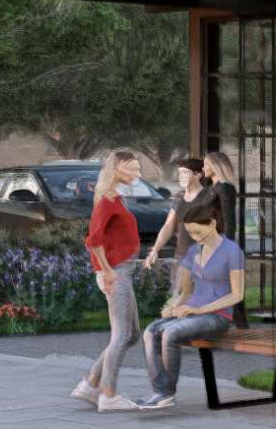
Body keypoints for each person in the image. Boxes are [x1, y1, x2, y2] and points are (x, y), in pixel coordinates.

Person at [129, 196, 246, 412]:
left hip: (217, 317)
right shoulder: (194, 252)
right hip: (191, 312)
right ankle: (160, 391)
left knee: (170, 334)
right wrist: (173, 305)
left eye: (197, 232)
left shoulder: (232, 252)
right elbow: (185, 291)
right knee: (151, 331)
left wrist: (198, 309)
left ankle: (165, 393)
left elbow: (237, 295)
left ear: (211, 223)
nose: (194, 237)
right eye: (190, 233)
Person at [75, 149, 147, 411]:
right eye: (133, 169)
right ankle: (108, 394)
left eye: (139, 169)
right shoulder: (106, 200)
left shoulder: (115, 199)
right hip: (116, 273)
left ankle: (91, 382)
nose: (138, 174)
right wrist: (107, 271)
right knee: (121, 335)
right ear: (117, 169)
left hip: (121, 270)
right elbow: (94, 241)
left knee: (132, 334)